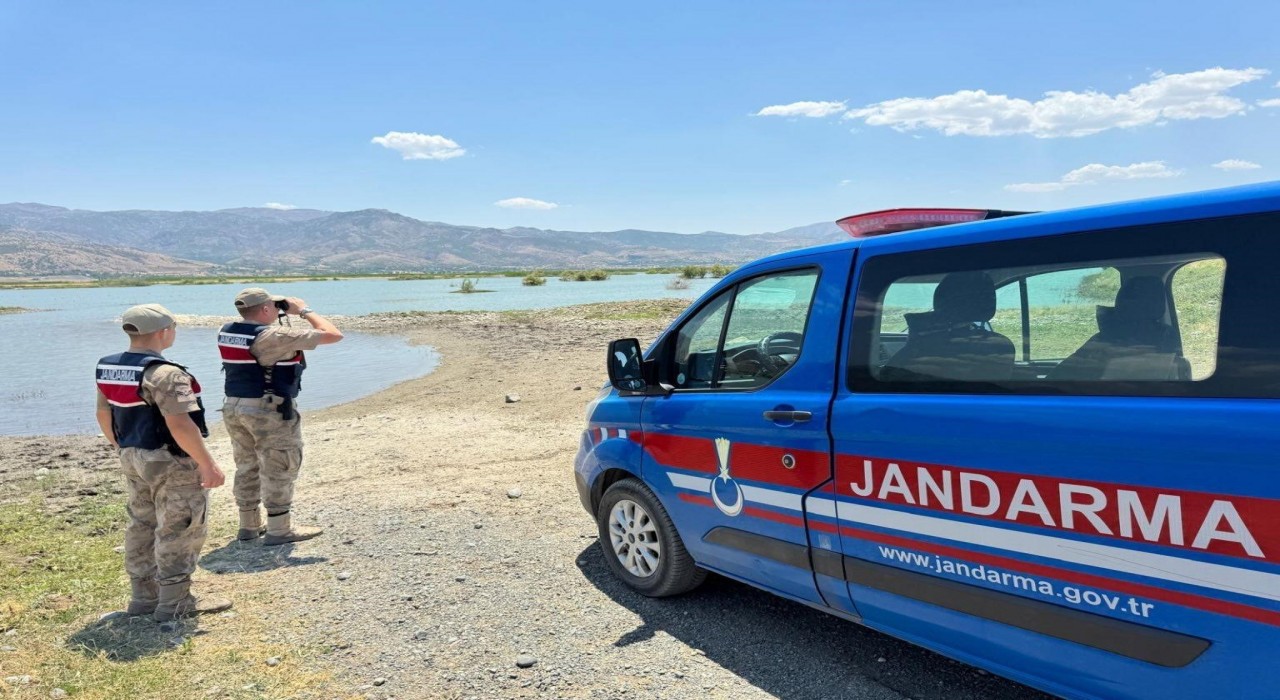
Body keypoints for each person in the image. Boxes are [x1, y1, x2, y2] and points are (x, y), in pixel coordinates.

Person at [95, 304, 231, 621]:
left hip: (132, 455)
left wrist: (121, 446)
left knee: (142, 524)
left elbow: (104, 413)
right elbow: (181, 425)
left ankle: (143, 598)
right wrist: (206, 463)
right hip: (169, 460)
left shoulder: (107, 367)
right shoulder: (168, 374)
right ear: (163, 332)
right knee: (180, 529)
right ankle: (174, 602)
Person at [218, 288, 343, 545]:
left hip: (234, 407)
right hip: (267, 410)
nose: (278, 309)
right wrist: (304, 311)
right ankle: (279, 529)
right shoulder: (273, 335)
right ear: (264, 309)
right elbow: (333, 334)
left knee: (247, 465)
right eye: (274, 306)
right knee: (279, 465)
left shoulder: (227, 330)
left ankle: (249, 525)